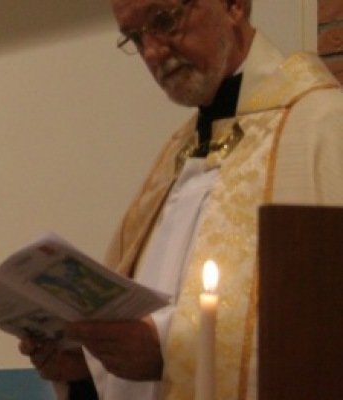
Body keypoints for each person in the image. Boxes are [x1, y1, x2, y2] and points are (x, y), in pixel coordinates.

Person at [19, 0, 343, 399]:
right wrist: (87, 361)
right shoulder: (178, 153)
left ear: (234, 5)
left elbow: (323, 324)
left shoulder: (323, 129)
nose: (153, 51)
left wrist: (169, 350)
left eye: (165, 20)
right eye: (135, 37)